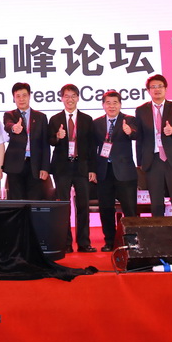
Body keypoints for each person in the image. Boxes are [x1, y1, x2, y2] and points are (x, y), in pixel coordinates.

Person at [48, 84, 97, 252]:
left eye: (73, 96)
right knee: (64, 206)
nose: (70, 99)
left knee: (83, 206)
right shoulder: (55, 119)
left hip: (82, 167)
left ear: (78, 98)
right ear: (61, 98)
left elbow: (92, 146)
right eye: (66, 96)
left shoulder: (87, 119)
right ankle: (65, 243)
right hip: (62, 168)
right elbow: (49, 141)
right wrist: (57, 136)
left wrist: (92, 169)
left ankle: (84, 243)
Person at [135, 74, 172, 217]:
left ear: (166, 89)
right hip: (153, 159)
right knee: (156, 202)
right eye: (153, 87)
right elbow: (140, 137)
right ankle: (158, 230)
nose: (157, 89)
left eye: (160, 86)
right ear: (148, 90)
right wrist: (140, 161)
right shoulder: (141, 110)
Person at [93, 90, 138, 252]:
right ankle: (110, 241)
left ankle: (132, 242)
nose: (112, 106)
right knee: (106, 208)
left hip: (125, 172)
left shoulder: (129, 120)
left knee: (129, 209)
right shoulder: (96, 123)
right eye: (108, 103)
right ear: (103, 105)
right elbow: (92, 148)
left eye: (115, 103)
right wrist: (92, 170)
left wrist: (130, 132)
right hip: (104, 171)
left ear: (120, 104)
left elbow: (137, 134)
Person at [2, 82, 50, 200]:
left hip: (35, 165)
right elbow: (8, 125)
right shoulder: (9, 115)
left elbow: (45, 144)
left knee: (34, 200)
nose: (21, 99)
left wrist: (45, 167)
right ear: (14, 98)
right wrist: (14, 128)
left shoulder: (41, 117)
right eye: (18, 96)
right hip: (15, 165)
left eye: (24, 95)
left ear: (29, 96)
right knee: (16, 201)